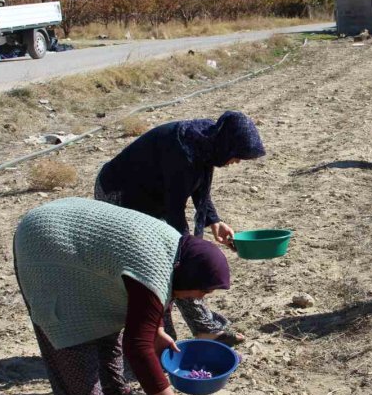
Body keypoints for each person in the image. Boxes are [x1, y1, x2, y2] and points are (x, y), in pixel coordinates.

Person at [13, 198, 231, 395]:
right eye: (203, 290)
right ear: (190, 276)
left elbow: (146, 303)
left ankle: (115, 391)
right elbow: (138, 346)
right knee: (72, 329)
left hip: (70, 235)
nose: (201, 296)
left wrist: (157, 330)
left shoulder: (176, 253)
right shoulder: (154, 268)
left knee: (104, 317)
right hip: (45, 239)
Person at [95, 110, 265, 346]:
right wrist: (186, 253)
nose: (235, 162)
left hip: (154, 196)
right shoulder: (181, 153)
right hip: (122, 195)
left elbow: (199, 180)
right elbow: (175, 208)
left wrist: (213, 221)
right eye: (236, 156)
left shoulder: (208, 138)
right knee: (160, 267)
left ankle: (205, 329)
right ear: (227, 146)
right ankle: (159, 337)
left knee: (181, 265)